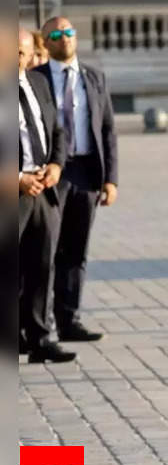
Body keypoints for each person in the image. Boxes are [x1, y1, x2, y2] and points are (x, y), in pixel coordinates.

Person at [37, 16, 118, 343]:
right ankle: (40, 323)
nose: (64, 38)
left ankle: (69, 319)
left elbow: (108, 130)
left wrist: (110, 179)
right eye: (55, 34)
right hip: (50, 173)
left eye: (68, 32)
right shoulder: (35, 78)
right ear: (45, 42)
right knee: (46, 250)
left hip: (86, 172)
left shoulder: (94, 77)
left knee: (76, 250)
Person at [17, 27, 75, 364]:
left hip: (43, 190)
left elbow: (57, 130)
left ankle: (40, 339)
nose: (18, 59)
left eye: (23, 52)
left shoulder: (38, 83)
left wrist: (55, 165)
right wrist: (17, 179)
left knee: (42, 268)